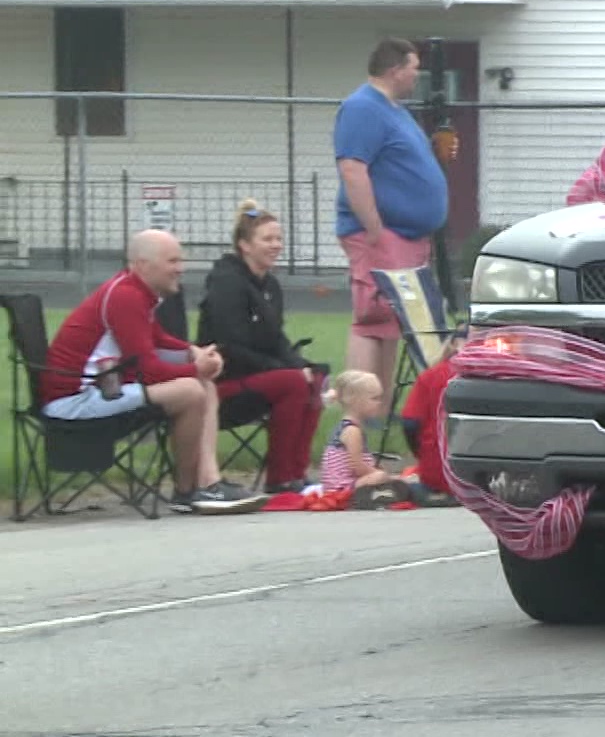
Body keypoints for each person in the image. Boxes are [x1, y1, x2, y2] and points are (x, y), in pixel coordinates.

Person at [40, 230, 270, 514]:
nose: (180, 269)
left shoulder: (134, 290)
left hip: (101, 388)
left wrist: (193, 352)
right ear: (142, 264)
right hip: (75, 400)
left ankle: (207, 483)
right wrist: (194, 367)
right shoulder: (126, 296)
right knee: (190, 391)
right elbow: (147, 369)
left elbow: (157, 338)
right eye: (172, 261)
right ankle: (187, 492)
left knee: (202, 385)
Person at [334, 37, 448, 395]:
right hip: (382, 235)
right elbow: (352, 168)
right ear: (395, 69)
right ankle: (356, 422)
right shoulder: (361, 108)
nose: (418, 75)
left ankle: (376, 418)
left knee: (390, 324)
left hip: (406, 236)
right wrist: (374, 230)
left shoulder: (395, 110)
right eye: (414, 68)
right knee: (371, 319)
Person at [196, 199, 328, 494]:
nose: (276, 245)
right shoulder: (226, 283)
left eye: (278, 238)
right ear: (244, 245)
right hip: (221, 384)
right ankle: (279, 478)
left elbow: (276, 339)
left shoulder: (269, 285)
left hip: (259, 377)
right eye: (267, 239)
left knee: (314, 379)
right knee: (293, 383)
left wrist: (301, 365)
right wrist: (285, 370)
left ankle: (297, 472)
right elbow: (230, 345)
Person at [319, 370, 410, 508]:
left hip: (347, 483)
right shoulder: (352, 431)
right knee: (380, 478)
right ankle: (368, 496)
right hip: (342, 488)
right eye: (374, 398)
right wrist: (381, 474)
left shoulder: (350, 427)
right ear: (355, 400)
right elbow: (358, 468)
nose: (379, 403)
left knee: (382, 476)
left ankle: (380, 490)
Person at [398, 324, 467, 503]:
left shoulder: (431, 376)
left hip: (436, 471)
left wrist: (421, 455)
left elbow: (410, 423)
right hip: (484, 476)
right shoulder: (495, 377)